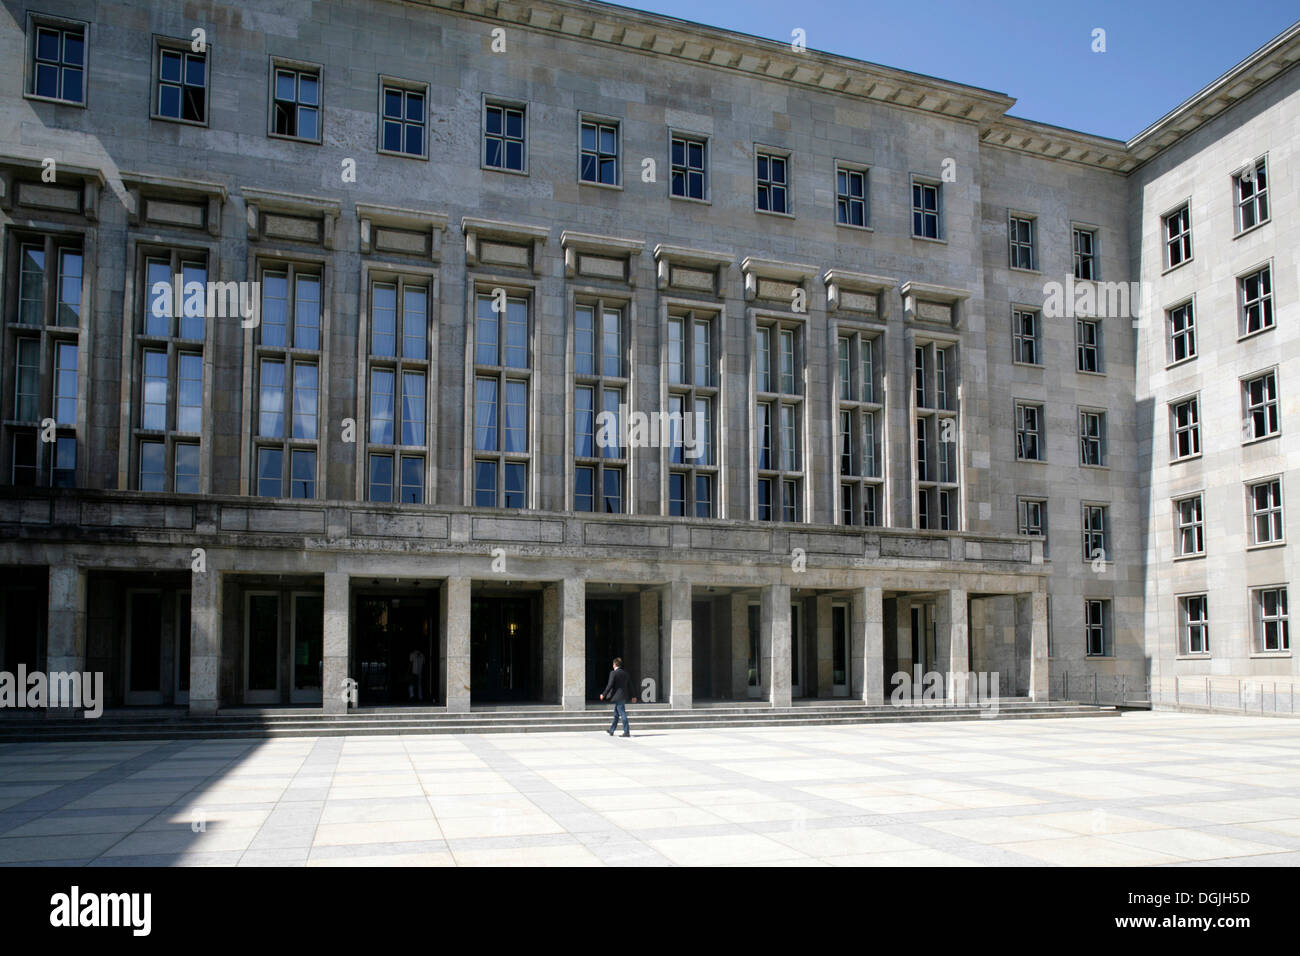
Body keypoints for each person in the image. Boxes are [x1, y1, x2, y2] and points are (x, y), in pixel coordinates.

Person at [599, 657, 633, 737]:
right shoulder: (625, 673)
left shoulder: (613, 673)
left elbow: (610, 685)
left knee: (622, 713)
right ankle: (611, 730)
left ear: (615, 664)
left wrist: (603, 694)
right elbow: (630, 685)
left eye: (613, 664)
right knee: (616, 714)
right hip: (624, 696)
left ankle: (626, 731)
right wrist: (634, 695)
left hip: (618, 697)